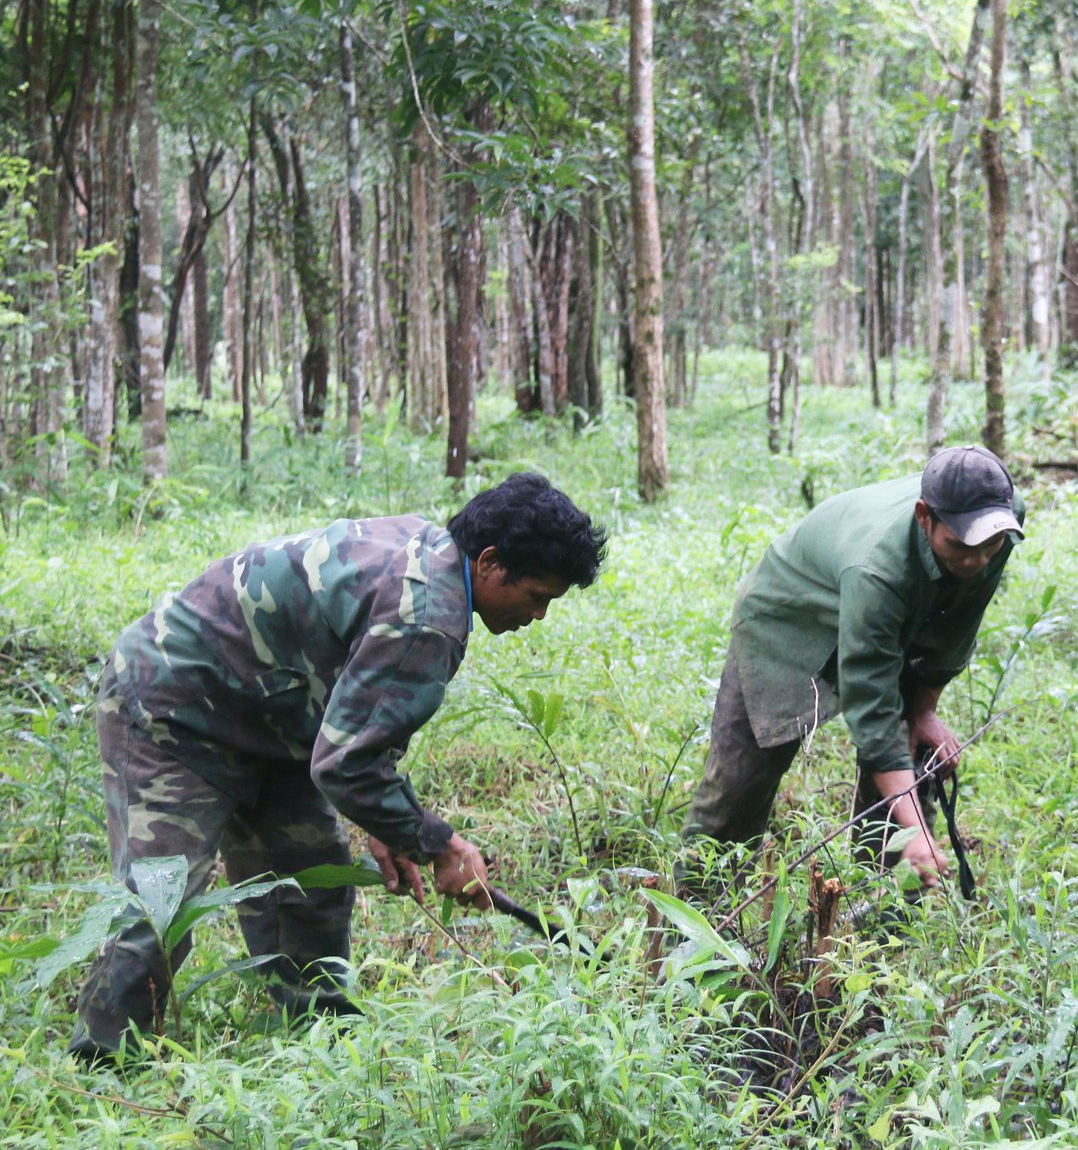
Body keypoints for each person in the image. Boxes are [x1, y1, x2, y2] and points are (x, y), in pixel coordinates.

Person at [71, 473, 607, 1064]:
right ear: (490, 562)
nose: (539, 615)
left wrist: (385, 821)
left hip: (273, 719)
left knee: (310, 879)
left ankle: (318, 1047)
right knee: (159, 901)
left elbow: (364, 721)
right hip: (170, 707)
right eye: (538, 596)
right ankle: (103, 1064)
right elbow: (348, 763)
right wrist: (437, 842)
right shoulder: (428, 615)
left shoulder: (433, 553)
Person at [682, 447, 1025, 893]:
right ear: (925, 517)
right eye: (959, 546)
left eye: (988, 546)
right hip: (790, 622)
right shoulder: (876, 570)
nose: (976, 560)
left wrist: (923, 710)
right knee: (741, 783)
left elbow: (960, 619)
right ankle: (698, 916)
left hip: (893, 612)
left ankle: (887, 909)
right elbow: (872, 713)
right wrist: (919, 830)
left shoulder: (1000, 523)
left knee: (913, 752)